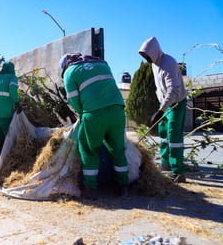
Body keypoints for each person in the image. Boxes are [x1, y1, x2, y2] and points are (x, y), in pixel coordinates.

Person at [59, 53, 129, 200]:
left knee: (89, 149)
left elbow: (72, 99)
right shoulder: (102, 64)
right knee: (118, 149)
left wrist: (82, 113)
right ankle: (123, 186)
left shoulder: (69, 72)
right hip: (118, 111)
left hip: (94, 114)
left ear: (65, 65)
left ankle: (90, 188)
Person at [139, 36, 187, 183]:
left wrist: (161, 110)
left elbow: (173, 90)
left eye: (147, 54)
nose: (146, 57)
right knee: (164, 134)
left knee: (174, 137)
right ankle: (165, 164)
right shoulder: (154, 64)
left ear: (154, 51)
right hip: (164, 105)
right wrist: (161, 108)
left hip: (176, 104)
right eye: (144, 55)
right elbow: (160, 88)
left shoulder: (169, 63)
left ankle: (178, 172)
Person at [0, 61, 21, 148]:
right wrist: (17, 102)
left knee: (1, 126)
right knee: (8, 131)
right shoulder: (12, 77)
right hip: (4, 112)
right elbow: (13, 89)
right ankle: (11, 151)